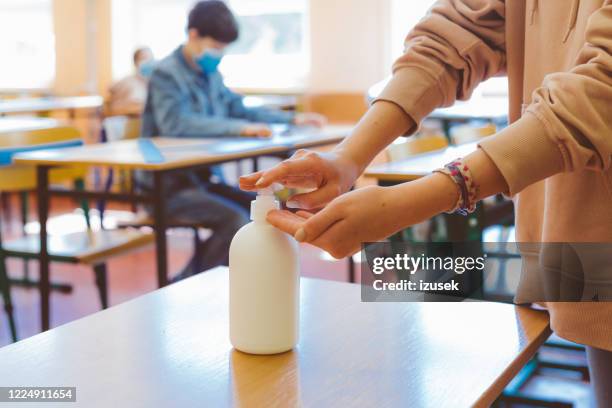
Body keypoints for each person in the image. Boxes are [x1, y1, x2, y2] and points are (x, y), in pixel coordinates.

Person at [241, 0, 612, 405]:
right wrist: (347, 157)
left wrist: (419, 199)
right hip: (585, 256)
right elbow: (456, 32)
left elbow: (600, 92)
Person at [140, 0, 325, 282]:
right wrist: (242, 129)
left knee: (267, 210)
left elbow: (239, 107)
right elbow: (177, 123)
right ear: (193, 34)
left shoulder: (210, 74)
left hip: (201, 180)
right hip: (167, 187)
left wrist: (289, 119)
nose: (219, 53)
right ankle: (184, 286)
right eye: (215, 45)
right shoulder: (166, 74)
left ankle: (246, 283)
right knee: (236, 221)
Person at [108, 47, 155, 114]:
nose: (148, 62)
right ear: (135, 62)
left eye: (151, 59)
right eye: (144, 58)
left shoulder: (157, 82)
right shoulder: (127, 82)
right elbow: (113, 105)